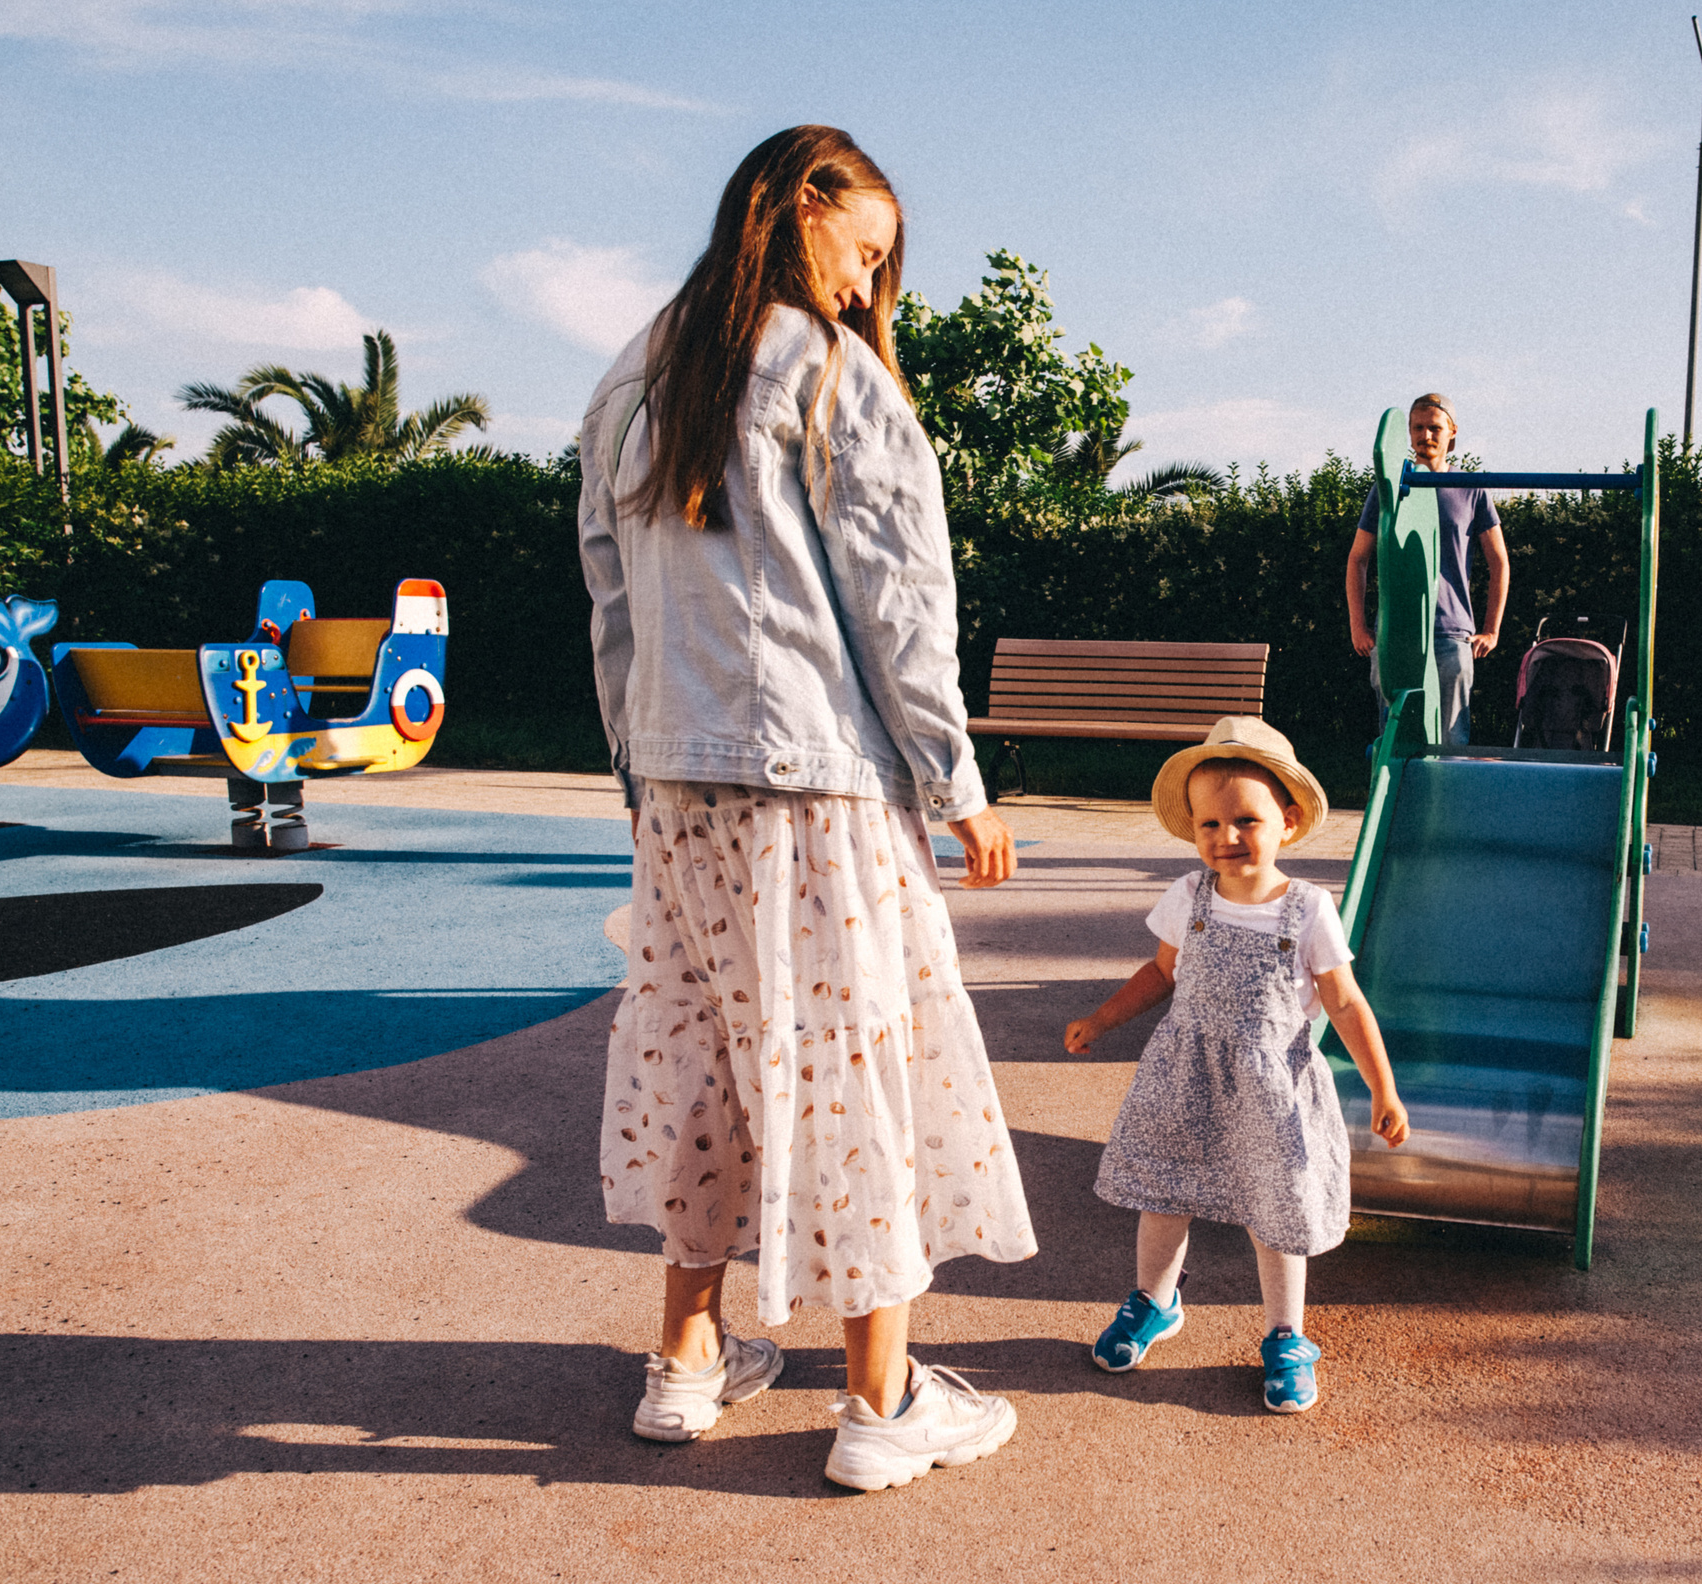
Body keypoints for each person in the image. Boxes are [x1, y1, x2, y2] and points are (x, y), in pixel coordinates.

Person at [579, 125, 1035, 1493]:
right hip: (815, 780)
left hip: (682, 784)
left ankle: (688, 1358)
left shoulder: (635, 373)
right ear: (797, 208)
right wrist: (957, 785)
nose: (867, 282)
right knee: (853, 1067)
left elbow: (610, 600)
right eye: (864, 248)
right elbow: (901, 607)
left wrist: (641, 777)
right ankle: (882, 1400)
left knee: (706, 1061)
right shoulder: (830, 371)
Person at [1062, 717, 1409, 1414]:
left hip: (1270, 1091)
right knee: (1165, 1193)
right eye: (1210, 824)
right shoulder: (1189, 895)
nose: (1227, 836)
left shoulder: (1308, 909)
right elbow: (1160, 973)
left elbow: (1345, 1002)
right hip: (1184, 1077)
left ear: (1287, 820)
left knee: (1275, 1210)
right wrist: (1101, 1019)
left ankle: (1286, 1335)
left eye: (1246, 819)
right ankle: (1154, 1301)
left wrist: (1383, 1088)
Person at [1344, 393, 1512, 744]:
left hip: (1451, 633)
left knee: (1450, 741)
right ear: (1408, 432)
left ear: (1452, 432)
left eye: (1434, 428)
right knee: (1396, 742)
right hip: (1396, 634)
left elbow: (1499, 561)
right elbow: (1358, 557)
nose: (1426, 435)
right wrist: (1358, 626)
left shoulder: (1470, 488)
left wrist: (1491, 630)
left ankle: (1448, 785)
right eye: (1418, 428)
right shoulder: (1389, 487)